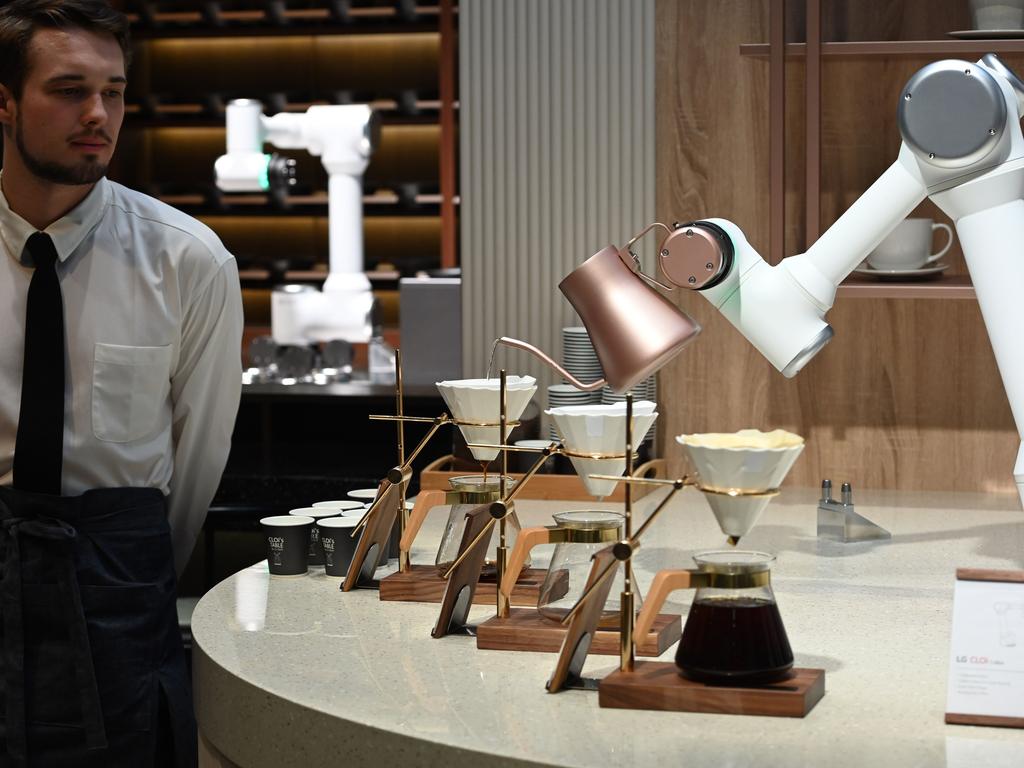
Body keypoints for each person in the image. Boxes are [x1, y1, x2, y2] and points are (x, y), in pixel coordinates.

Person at [0, 1, 243, 765]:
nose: (97, 113)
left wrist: (122, 570)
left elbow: (198, 459)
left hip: (116, 603)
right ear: (4, 101)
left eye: (114, 90)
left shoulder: (189, 261)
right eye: (69, 89)